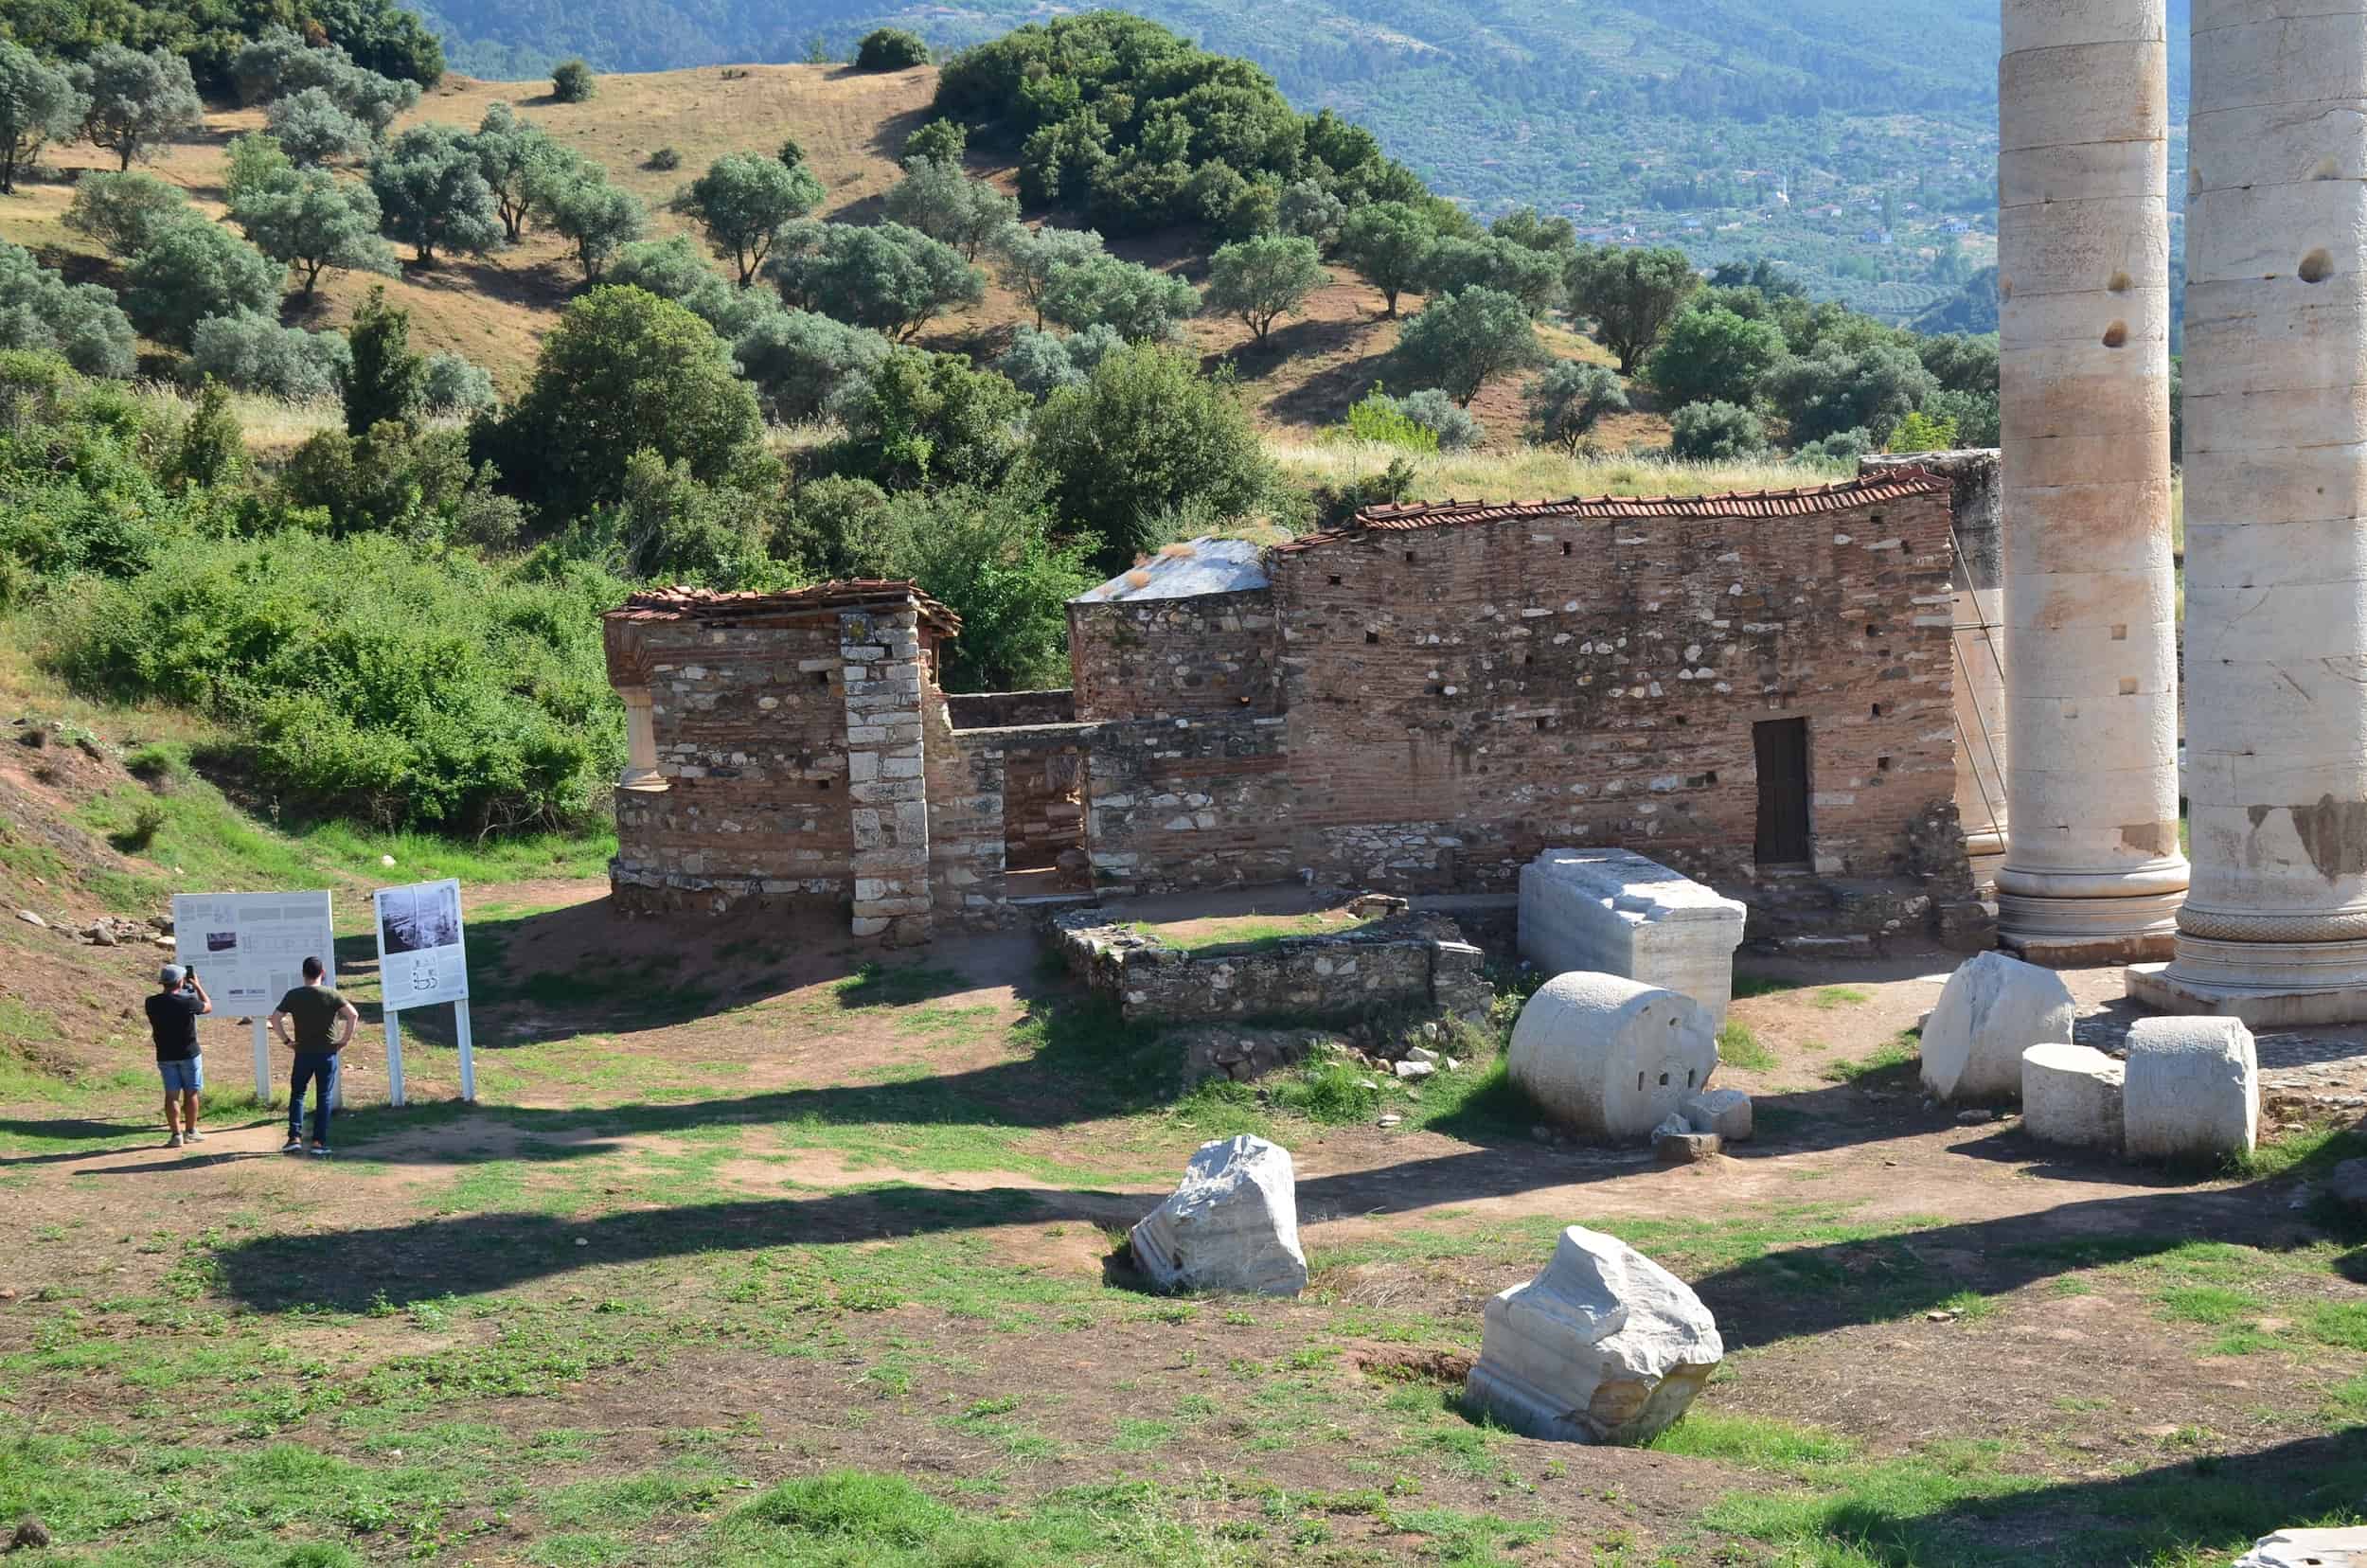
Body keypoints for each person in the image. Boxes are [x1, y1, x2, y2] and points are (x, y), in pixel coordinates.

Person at [269, 955, 357, 1155]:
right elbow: (353, 1014)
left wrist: (287, 1041)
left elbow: (275, 1019)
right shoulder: (332, 994)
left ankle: (294, 1138)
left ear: (303, 974)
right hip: (327, 1053)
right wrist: (344, 1040)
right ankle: (319, 1142)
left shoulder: (294, 995)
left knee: (298, 1094)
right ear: (322, 974)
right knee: (323, 1096)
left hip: (303, 1053)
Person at [144, 964, 210, 1148]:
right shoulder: (187, 1001)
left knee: (171, 1095)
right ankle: (191, 1131)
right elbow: (207, 1006)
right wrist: (197, 986)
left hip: (165, 1055)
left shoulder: (151, 1002)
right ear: (181, 981)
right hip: (189, 1053)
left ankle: (175, 1135)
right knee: (191, 1092)